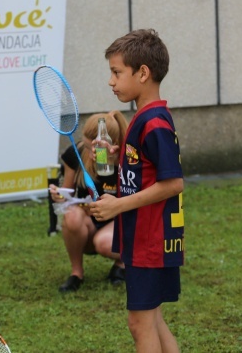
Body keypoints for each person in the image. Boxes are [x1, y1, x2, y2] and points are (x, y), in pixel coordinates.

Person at [90, 29, 184, 353]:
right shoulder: (144, 119)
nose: (111, 81)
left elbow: (173, 182)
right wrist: (117, 160)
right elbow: (145, 170)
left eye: (117, 72)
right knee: (153, 320)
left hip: (150, 240)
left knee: (140, 323)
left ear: (142, 73)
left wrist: (118, 206)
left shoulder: (154, 122)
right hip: (143, 239)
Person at [49, 110, 128, 293]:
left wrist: (116, 162)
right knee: (71, 216)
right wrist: (60, 195)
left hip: (120, 223)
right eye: (86, 146)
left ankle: (123, 263)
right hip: (89, 222)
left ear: (112, 144)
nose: (91, 152)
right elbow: (67, 192)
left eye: (95, 148)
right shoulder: (75, 154)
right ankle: (76, 273)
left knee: (104, 243)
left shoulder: (127, 159)